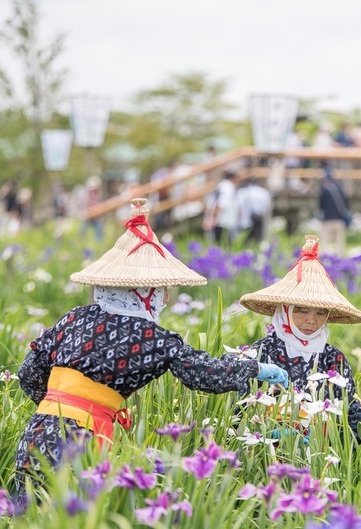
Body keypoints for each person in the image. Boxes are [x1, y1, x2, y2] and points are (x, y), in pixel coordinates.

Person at [14, 198, 288, 500]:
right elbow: (207, 375)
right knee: (75, 525)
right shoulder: (153, 338)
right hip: (81, 438)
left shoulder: (74, 317)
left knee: (26, 520)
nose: (166, 299)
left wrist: (58, 407)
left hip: (37, 430)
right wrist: (256, 368)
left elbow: (28, 373)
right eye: (161, 291)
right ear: (143, 292)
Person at [239, 235, 361, 441]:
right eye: (301, 311)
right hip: (266, 452)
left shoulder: (333, 360)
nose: (311, 321)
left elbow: (349, 413)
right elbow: (242, 408)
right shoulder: (261, 352)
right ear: (285, 311)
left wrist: (329, 442)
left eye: (320, 313)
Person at [202, 169, 240, 244]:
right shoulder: (228, 187)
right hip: (224, 221)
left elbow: (210, 203)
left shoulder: (220, 185)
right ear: (234, 178)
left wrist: (209, 218)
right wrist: (214, 219)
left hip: (218, 221)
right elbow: (221, 204)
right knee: (225, 246)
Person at [318, 168, 351, 254]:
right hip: (339, 219)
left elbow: (320, 206)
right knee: (339, 243)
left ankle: (325, 259)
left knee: (325, 244)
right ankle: (339, 259)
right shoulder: (340, 190)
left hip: (327, 220)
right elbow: (347, 204)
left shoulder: (324, 191)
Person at [236, 177, 272, 243]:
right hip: (259, 217)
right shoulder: (264, 192)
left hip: (246, 218)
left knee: (246, 239)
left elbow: (239, 207)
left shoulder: (242, 192)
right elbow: (267, 207)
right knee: (259, 238)